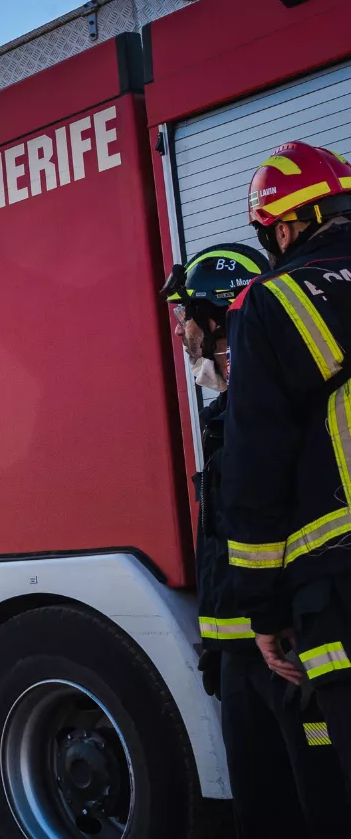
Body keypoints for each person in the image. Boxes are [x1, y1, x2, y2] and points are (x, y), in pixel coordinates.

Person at [166, 243, 346, 835]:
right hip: (243, 654)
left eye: (186, 318)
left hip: (288, 654)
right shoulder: (230, 413)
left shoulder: (275, 412)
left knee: (317, 810)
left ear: (216, 317)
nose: (183, 336)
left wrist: (276, 621)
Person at [221, 140, 351, 782]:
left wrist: (264, 613)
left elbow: (256, 466)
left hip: (341, 588)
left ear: (288, 224)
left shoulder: (274, 301)